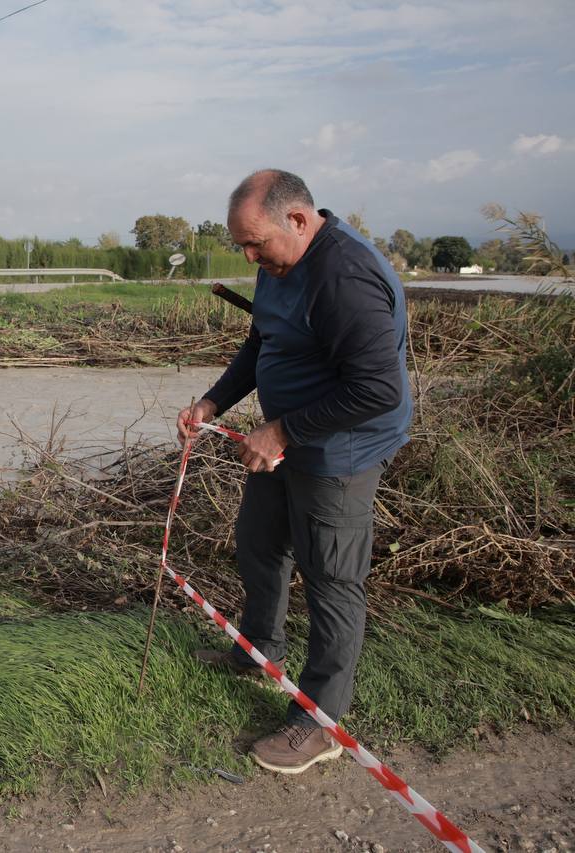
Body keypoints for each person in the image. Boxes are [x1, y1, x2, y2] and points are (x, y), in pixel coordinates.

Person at [176, 169, 411, 774]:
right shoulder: (280, 257)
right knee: (258, 543)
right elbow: (263, 343)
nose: (251, 257)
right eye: (242, 247)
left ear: (299, 220)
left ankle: (320, 721)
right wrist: (213, 403)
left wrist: (280, 430)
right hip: (284, 439)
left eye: (256, 244)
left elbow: (379, 389)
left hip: (341, 451)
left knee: (331, 579)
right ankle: (258, 652)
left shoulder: (344, 275)